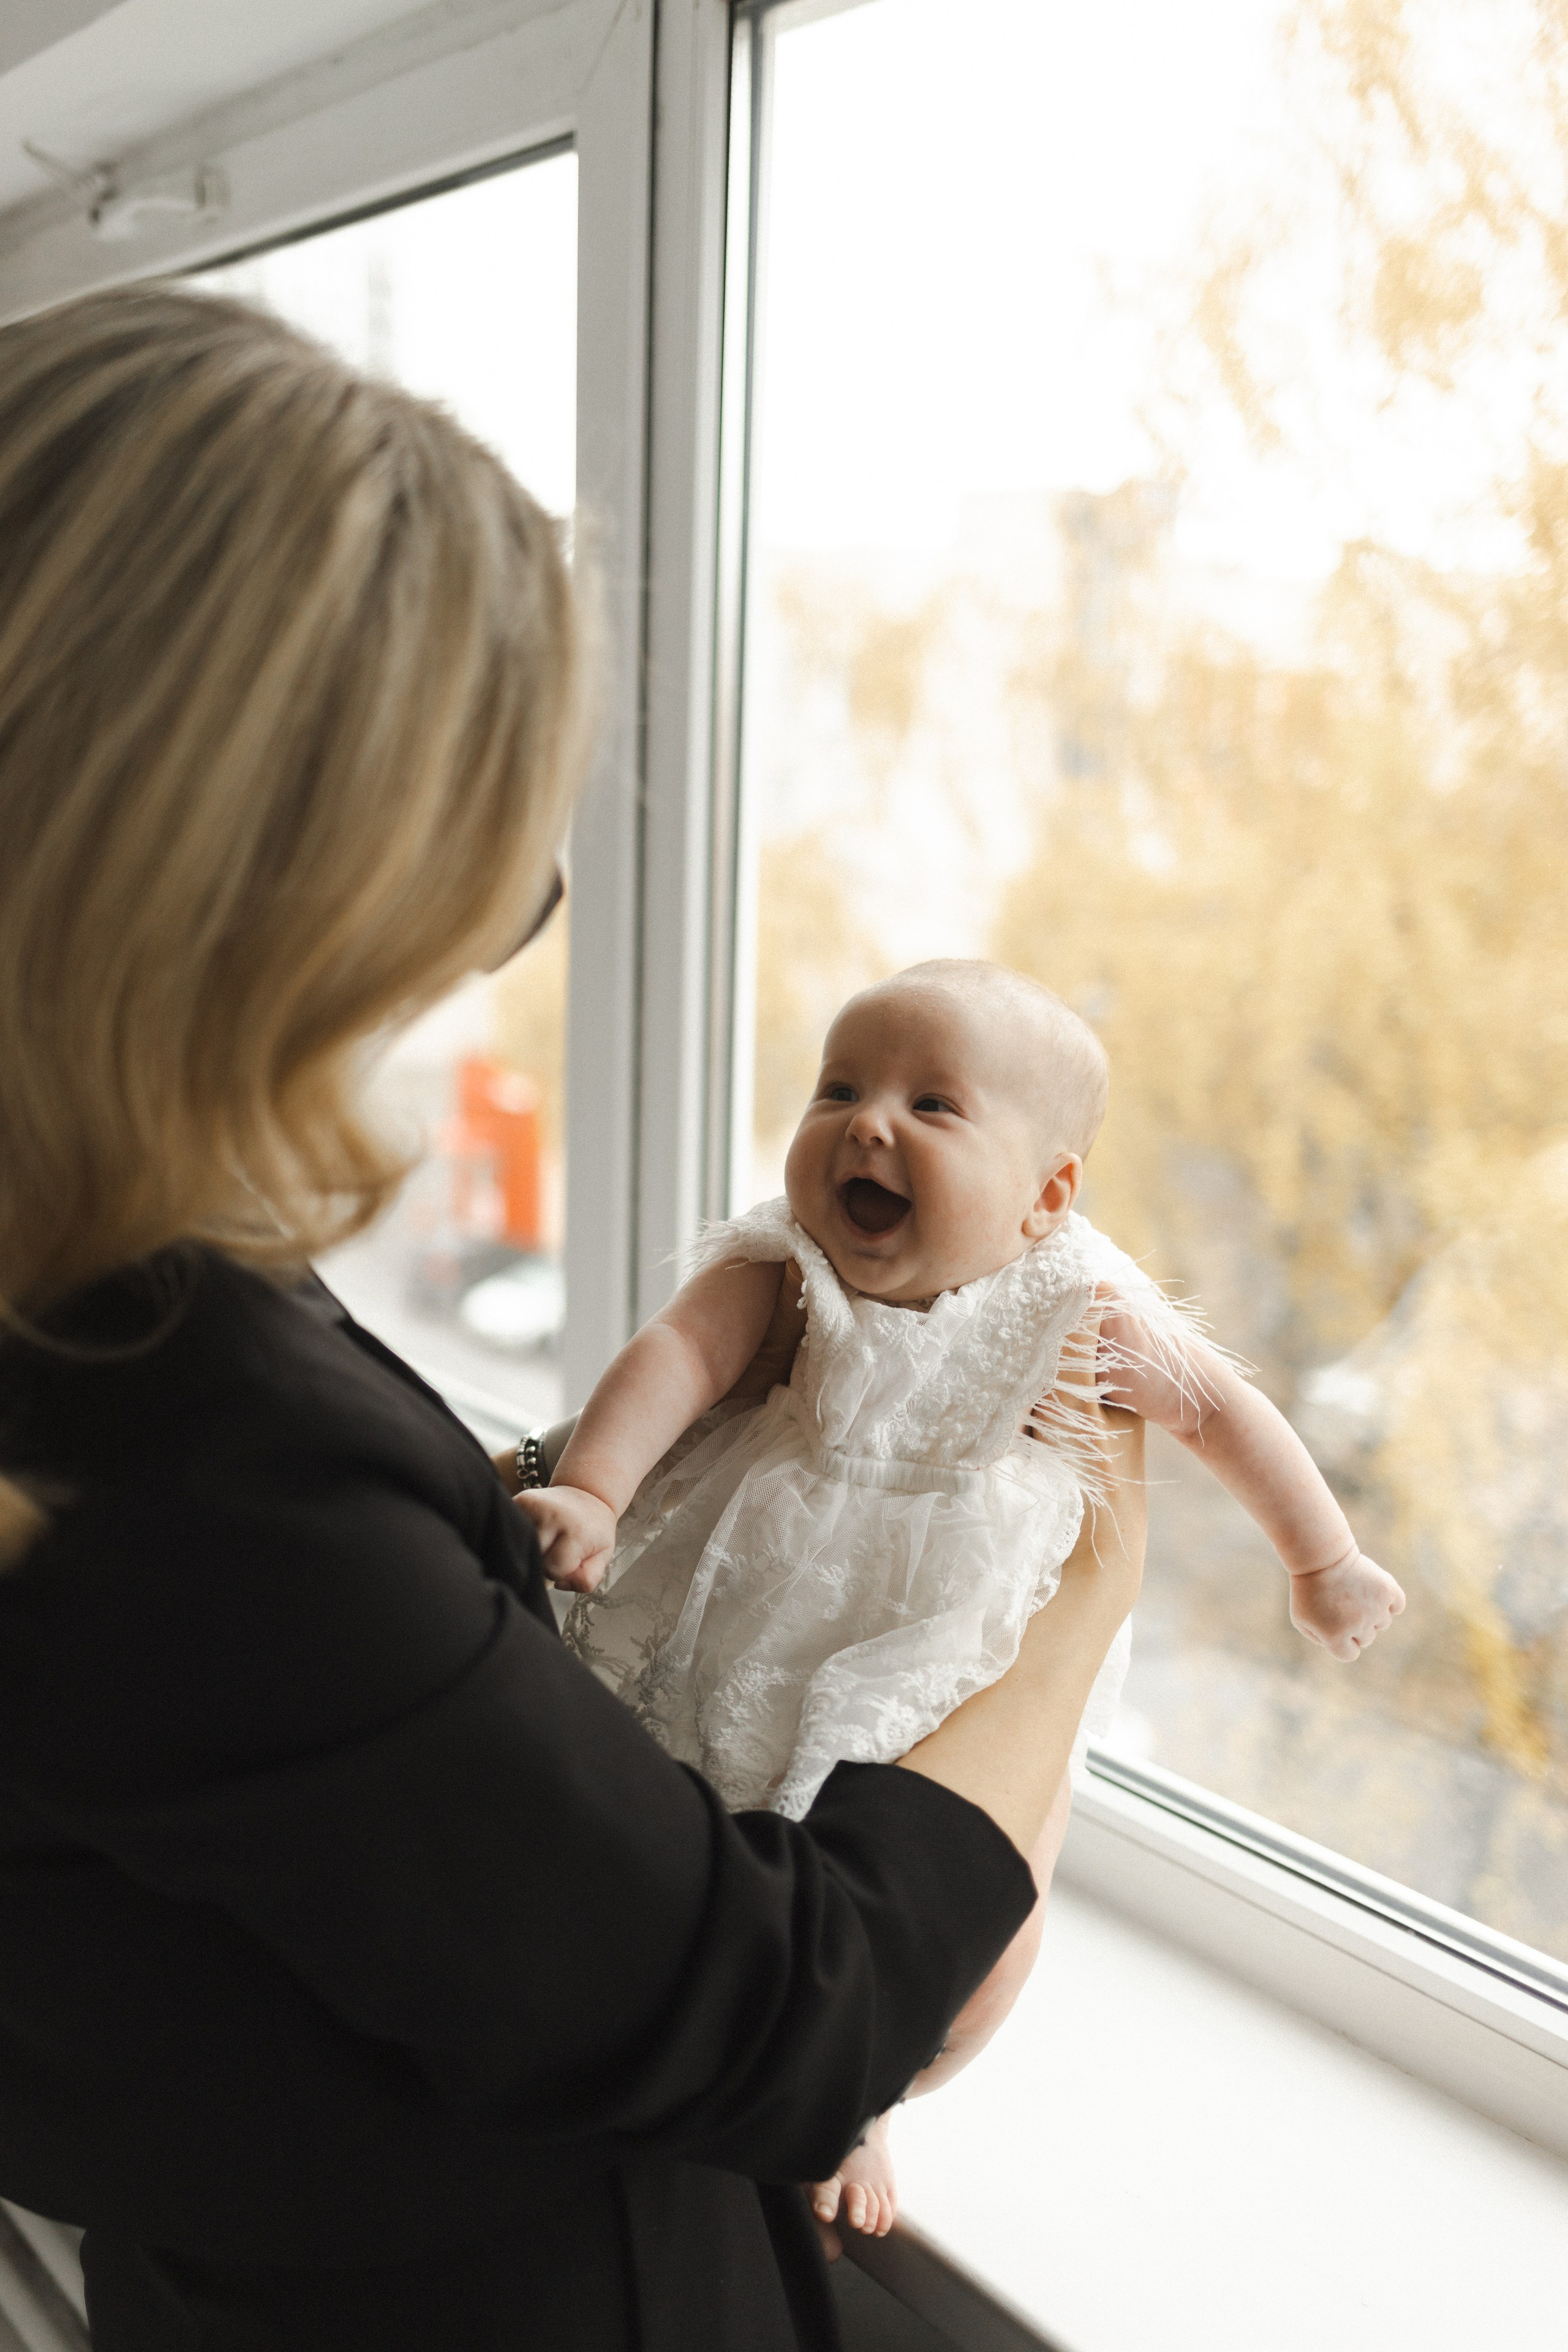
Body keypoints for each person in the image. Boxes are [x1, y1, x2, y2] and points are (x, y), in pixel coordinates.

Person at [0, 284, 1146, 2352]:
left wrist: (582, 1483)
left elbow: (298, 1700)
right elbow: (788, 2016)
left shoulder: (81, 1299)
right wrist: (1085, 1580)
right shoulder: (169, 1418)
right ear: (244, 872)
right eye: (477, 869)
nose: (478, 941)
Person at [523, 959, 1408, 2238]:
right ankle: (736, 2022)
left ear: (1047, 1196)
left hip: (951, 1628)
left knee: (949, 1873)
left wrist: (1320, 1560)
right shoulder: (782, 1265)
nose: (865, 1124)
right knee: (706, 1774)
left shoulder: (1075, 1298)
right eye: (838, 1087)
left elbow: (1218, 1410)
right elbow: (677, 1354)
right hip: (758, 1585)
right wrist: (596, 1491)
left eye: (932, 1107)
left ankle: (870, 2094)